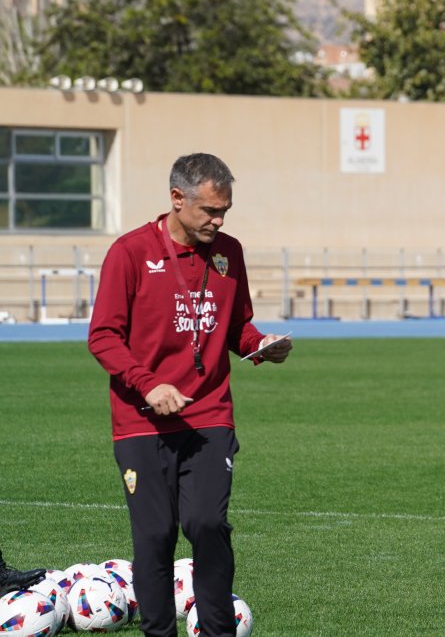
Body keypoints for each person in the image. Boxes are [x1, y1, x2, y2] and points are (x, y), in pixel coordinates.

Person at [88, 153, 291, 637]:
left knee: (206, 524)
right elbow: (103, 336)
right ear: (177, 199)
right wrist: (148, 383)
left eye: (225, 211)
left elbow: (237, 325)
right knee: (155, 535)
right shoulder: (130, 252)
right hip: (141, 420)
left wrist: (260, 345)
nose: (218, 221)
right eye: (209, 211)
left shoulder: (229, 252)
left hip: (209, 415)